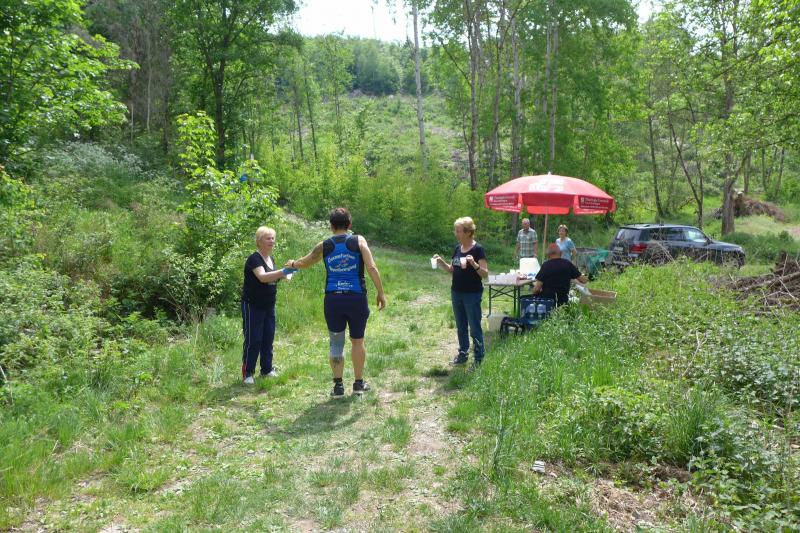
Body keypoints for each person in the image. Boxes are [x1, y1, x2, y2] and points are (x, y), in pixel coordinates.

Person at [286, 208, 386, 398]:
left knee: (336, 341)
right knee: (358, 341)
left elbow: (305, 262)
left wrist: (292, 264)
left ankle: (338, 387)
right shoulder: (359, 241)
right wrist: (380, 292)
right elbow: (372, 267)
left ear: (331, 226)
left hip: (333, 299)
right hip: (356, 298)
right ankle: (358, 384)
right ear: (349, 225)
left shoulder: (324, 245)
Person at [432, 216, 489, 367]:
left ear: (468, 232)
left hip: (472, 294)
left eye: (458, 231)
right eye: (455, 230)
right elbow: (452, 269)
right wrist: (440, 261)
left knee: (474, 327)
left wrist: (474, 264)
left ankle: (478, 359)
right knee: (461, 325)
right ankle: (463, 354)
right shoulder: (458, 248)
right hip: (456, 292)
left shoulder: (478, 249)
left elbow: (485, 274)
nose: (455, 233)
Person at [241, 226, 293, 384]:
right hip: (253, 305)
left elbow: (276, 277)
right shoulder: (254, 259)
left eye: (273, 238)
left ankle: (267, 369)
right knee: (253, 339)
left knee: (268, 338)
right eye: (268, 238)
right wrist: (283, 272)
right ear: (259, 241)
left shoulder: (271, 259)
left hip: (269, 306)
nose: (271, 241)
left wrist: (290, 271)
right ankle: (248, 373)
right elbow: (263, 277)